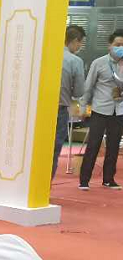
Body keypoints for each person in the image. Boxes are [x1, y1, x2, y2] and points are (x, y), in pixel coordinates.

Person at [78, 29, 123, 191]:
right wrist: (83, 107)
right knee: (93, 145)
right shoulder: (99, 63)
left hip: (119, 111)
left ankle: (108, 179)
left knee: (113, 146)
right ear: (110, 45)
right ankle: (84, 180)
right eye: (118, 44)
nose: (121, 48)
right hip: (100, 109)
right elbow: (88, 86)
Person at [55, 25, 86, 179]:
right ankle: (45, 185)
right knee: (54, 150)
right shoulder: (75, 61)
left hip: (38, 108)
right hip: (60, 109)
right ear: (74, 41)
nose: (80, 46)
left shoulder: (48, 55)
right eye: (80, 43)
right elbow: (78, 92)